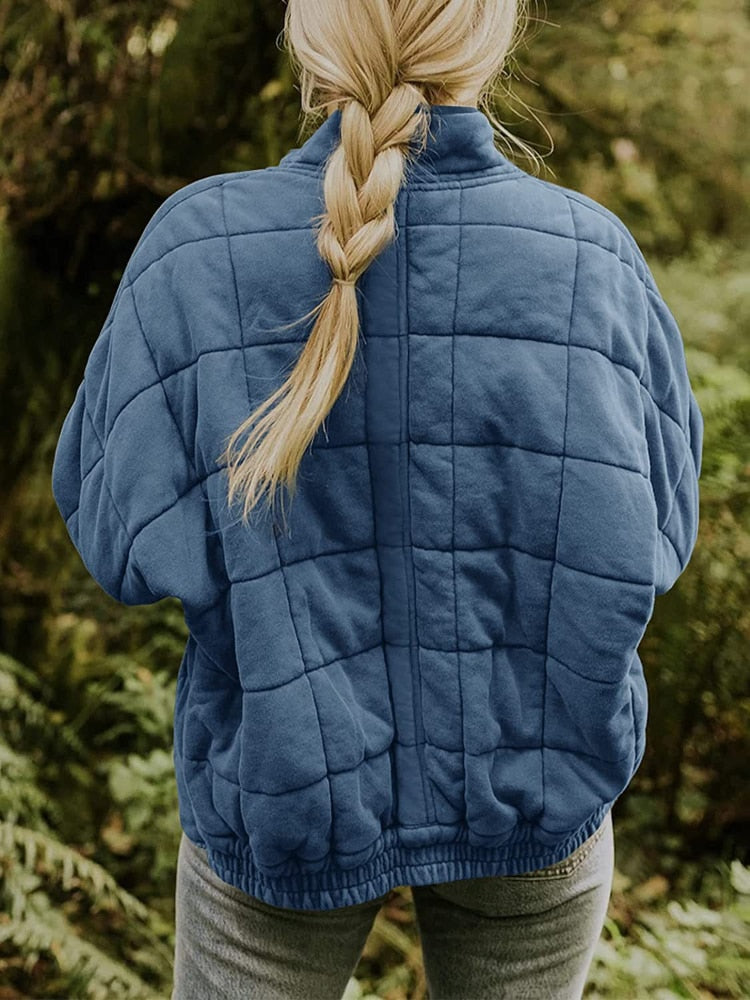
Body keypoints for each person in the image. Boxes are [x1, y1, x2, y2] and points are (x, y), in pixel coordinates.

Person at [50, 0, 703, 997]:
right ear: (492, 39)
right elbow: (660, 532)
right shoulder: (592, 260)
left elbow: (117, 539)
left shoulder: (196, 249)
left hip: (281, 795)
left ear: (309, 39)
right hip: (537, 792)